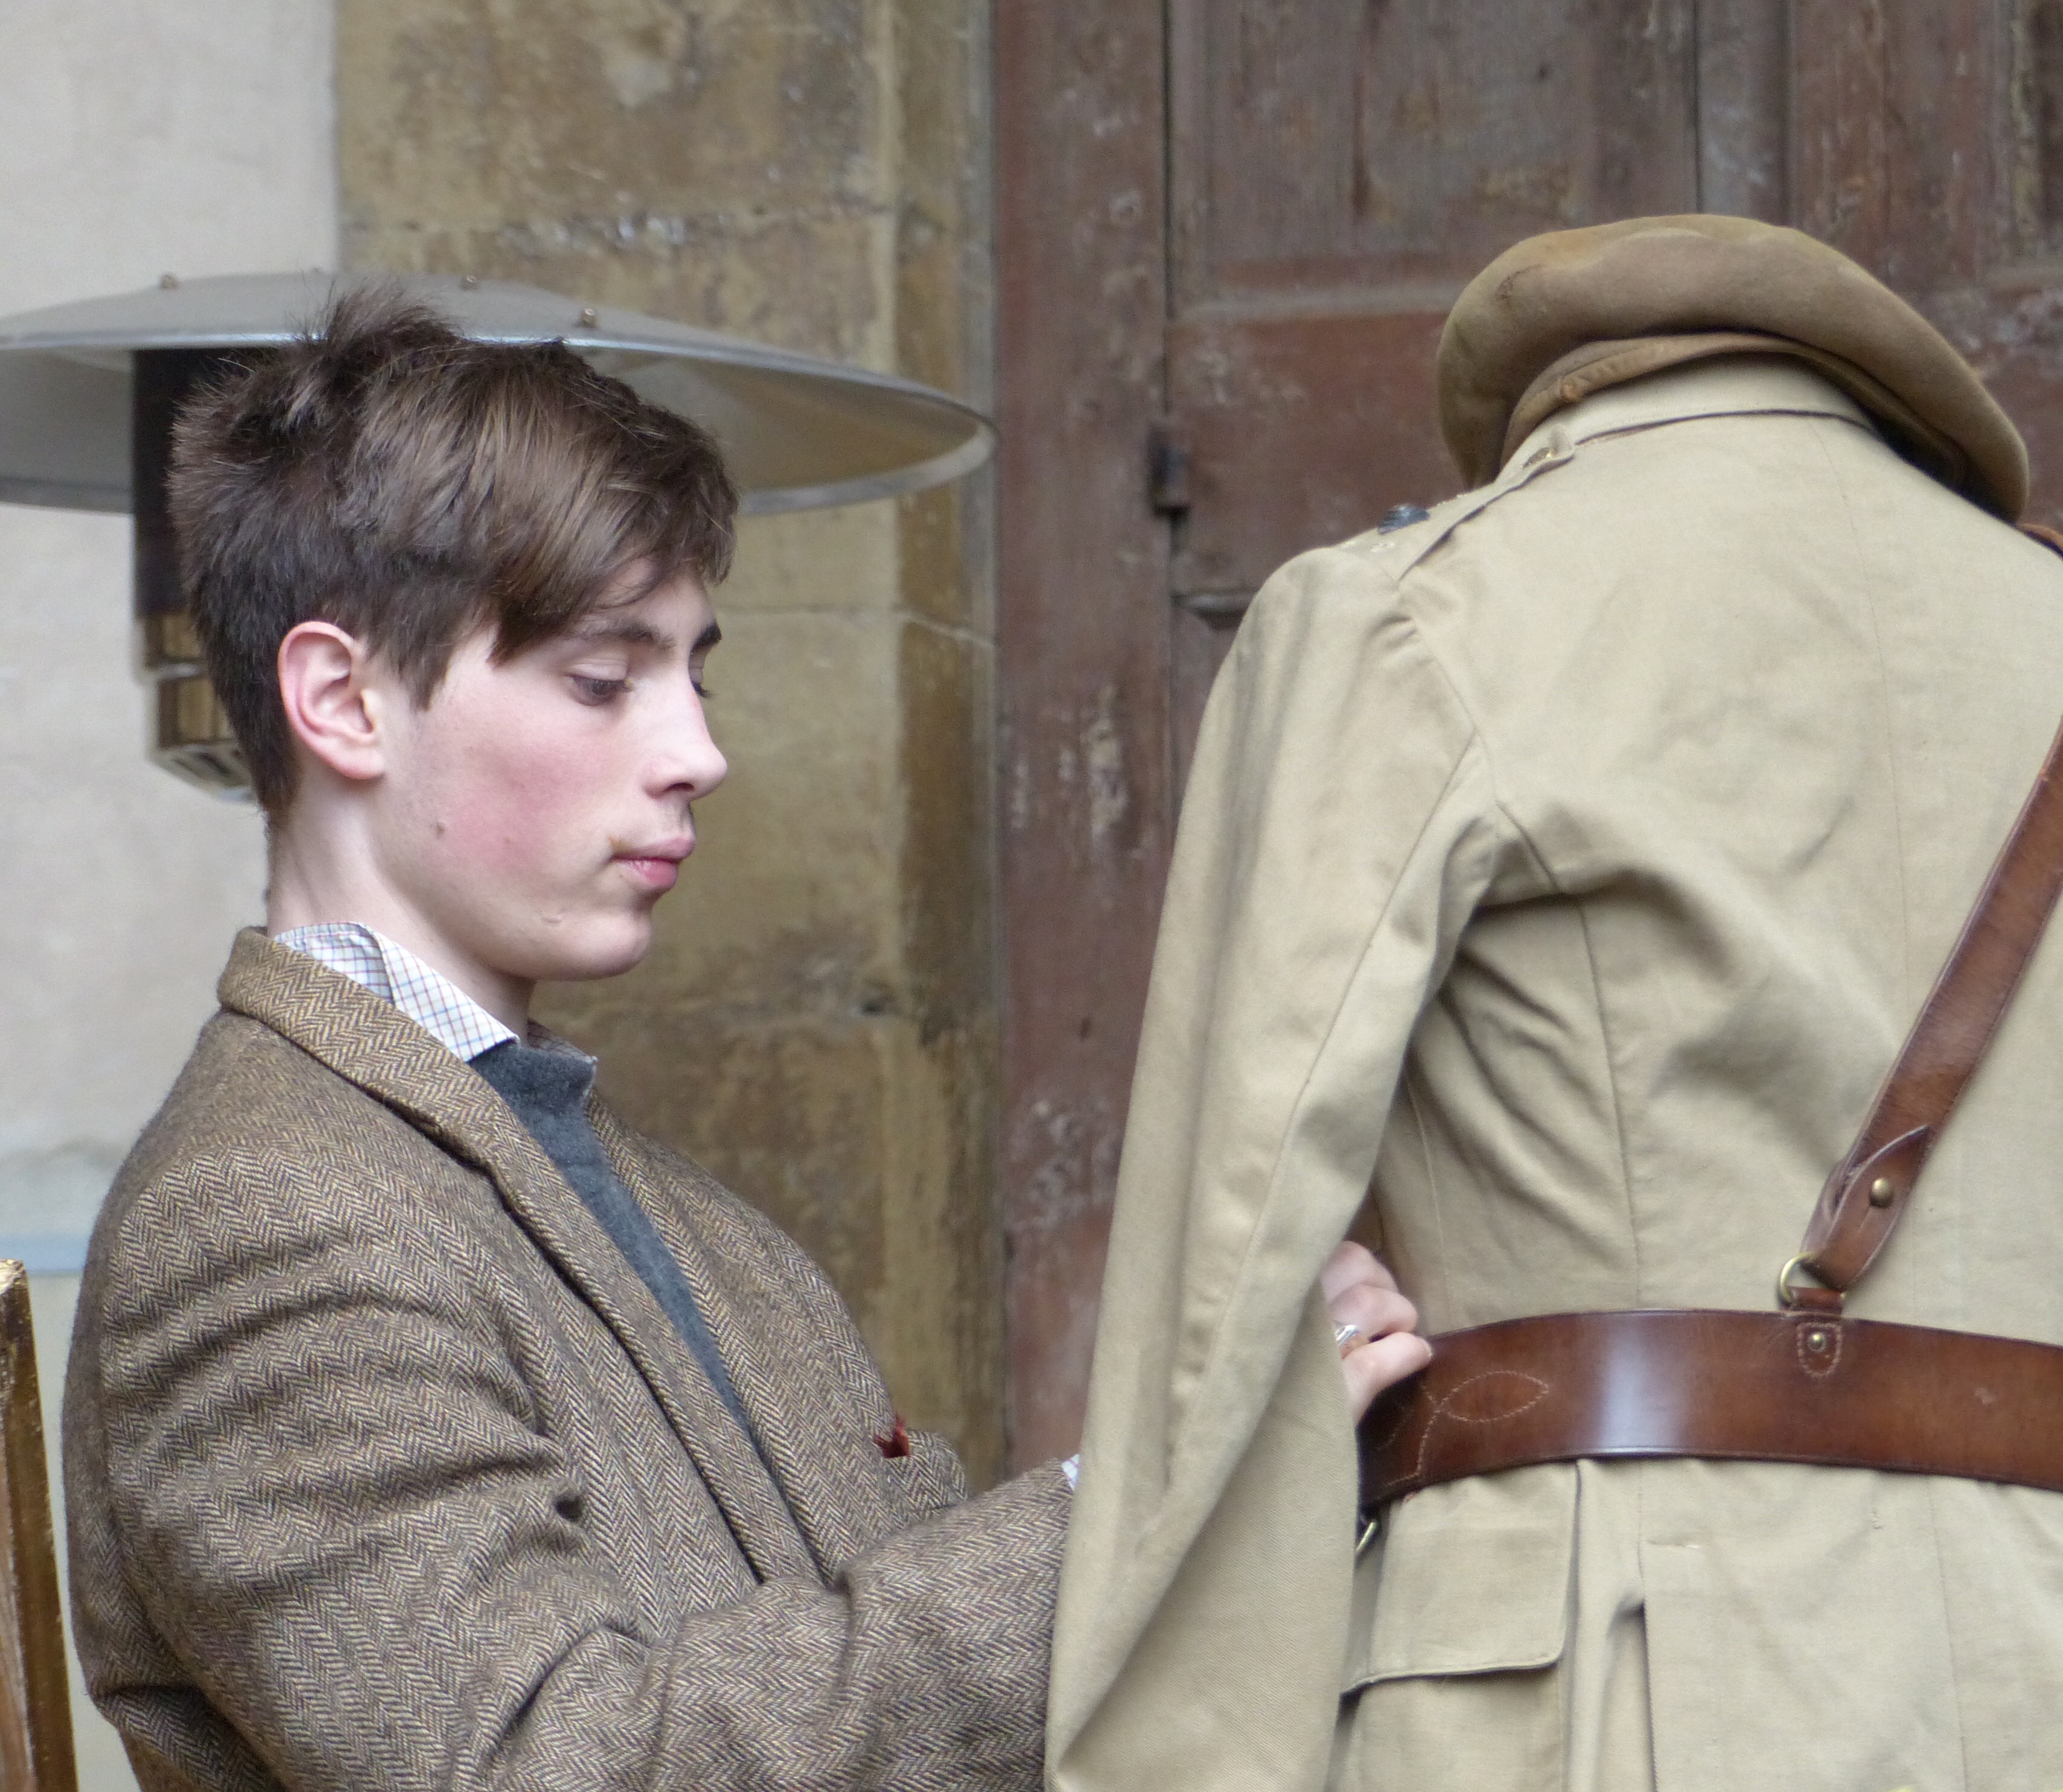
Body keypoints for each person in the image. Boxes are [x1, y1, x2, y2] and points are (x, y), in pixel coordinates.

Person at [1047, 217, 2063, 1792]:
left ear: (1544, 402)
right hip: (2056, 1695)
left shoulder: (1408, 620)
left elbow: (1236, 1262)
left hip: (1571, 1695)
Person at [61, 290, 1429, 1792]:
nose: (699, 752)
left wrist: (1241, 1465)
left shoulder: (669, 1205)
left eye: (693, 670)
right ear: (342, 700)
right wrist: (1156, 1496)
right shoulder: (262, 1222)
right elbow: (547, 1767)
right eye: (603, 679)